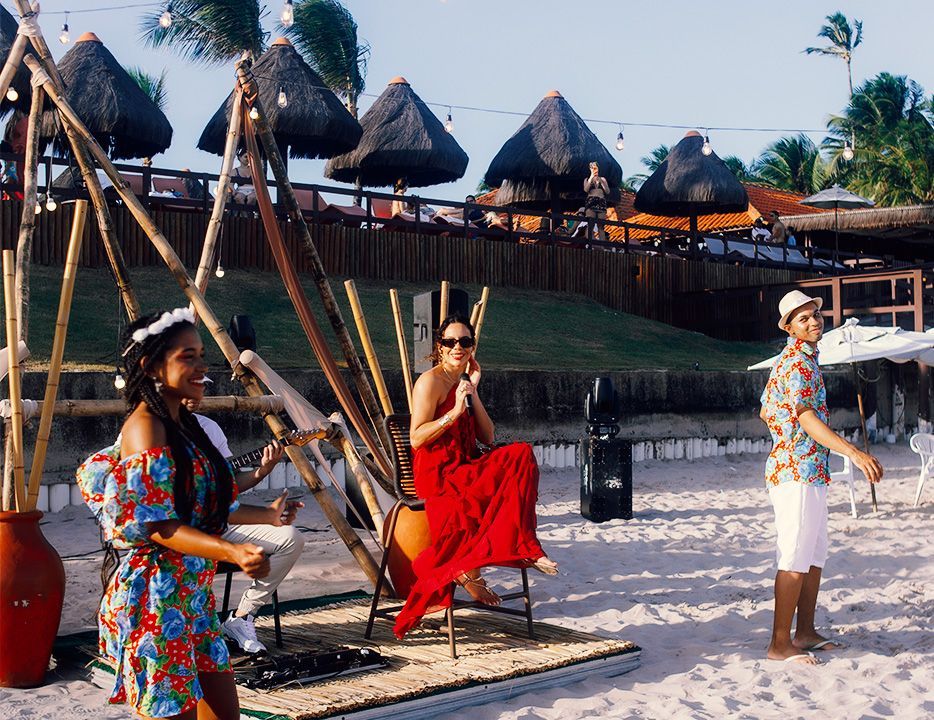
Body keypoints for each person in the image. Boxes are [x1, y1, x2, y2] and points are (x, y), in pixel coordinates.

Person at [75, 308, 299, 718]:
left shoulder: (186, 426)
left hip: (193, 599)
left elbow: (206, 507)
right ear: (151, 366)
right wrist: (231, 552)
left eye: (201, 355)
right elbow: (158, 525)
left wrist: (267, 515)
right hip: (157, 602)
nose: (202, 366)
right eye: (188, 357)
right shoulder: (145, 428)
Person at [392, 315, 558, 638]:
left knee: (521, 454)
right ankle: (470, 573)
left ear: (472, 347)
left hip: (466, 465)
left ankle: (524, 546)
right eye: (451, 342)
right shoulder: (429, 382)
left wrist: (473, 393)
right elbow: (416, 438)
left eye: (465, 342)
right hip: (438, 474)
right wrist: (455, 412)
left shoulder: (464, 381)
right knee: (475, 497)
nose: (458, 347)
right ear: (440, 347)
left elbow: (488, 436)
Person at [759, 291, 883, 665]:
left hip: (810, 470)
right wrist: (853, 453)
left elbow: (765, 410)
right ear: (790, 328)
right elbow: (806, 417)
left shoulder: (801, 361)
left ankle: (805, 632)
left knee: (813, 555)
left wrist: (783, 430)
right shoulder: (796, 363)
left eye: (815, 314)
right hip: (795, 471)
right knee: (795, 556)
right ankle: (779, 644)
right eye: (804, 318)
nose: (814, 321)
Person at [183, 391, 305, 655]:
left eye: (201, 384)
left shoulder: (209, 428)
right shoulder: (146, 429)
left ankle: (242, 617)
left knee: (291, 538)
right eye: (189, 382)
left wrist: (263, 470)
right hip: (176, 532)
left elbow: (231, 484)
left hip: (220, 522)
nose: (196, 391)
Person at [583, 161, 610, 241]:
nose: (594, 169)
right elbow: (586, 189)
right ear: (590, 169)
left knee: (601, 226)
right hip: (591, 201)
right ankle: (589, 242)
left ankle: (602, 244)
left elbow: (607, 191)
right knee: (590, 223)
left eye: (595, 167)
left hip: (601, 201)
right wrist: (591, 177)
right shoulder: (587, 179)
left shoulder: (603, 179)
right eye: (592, 167)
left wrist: (601, 182)